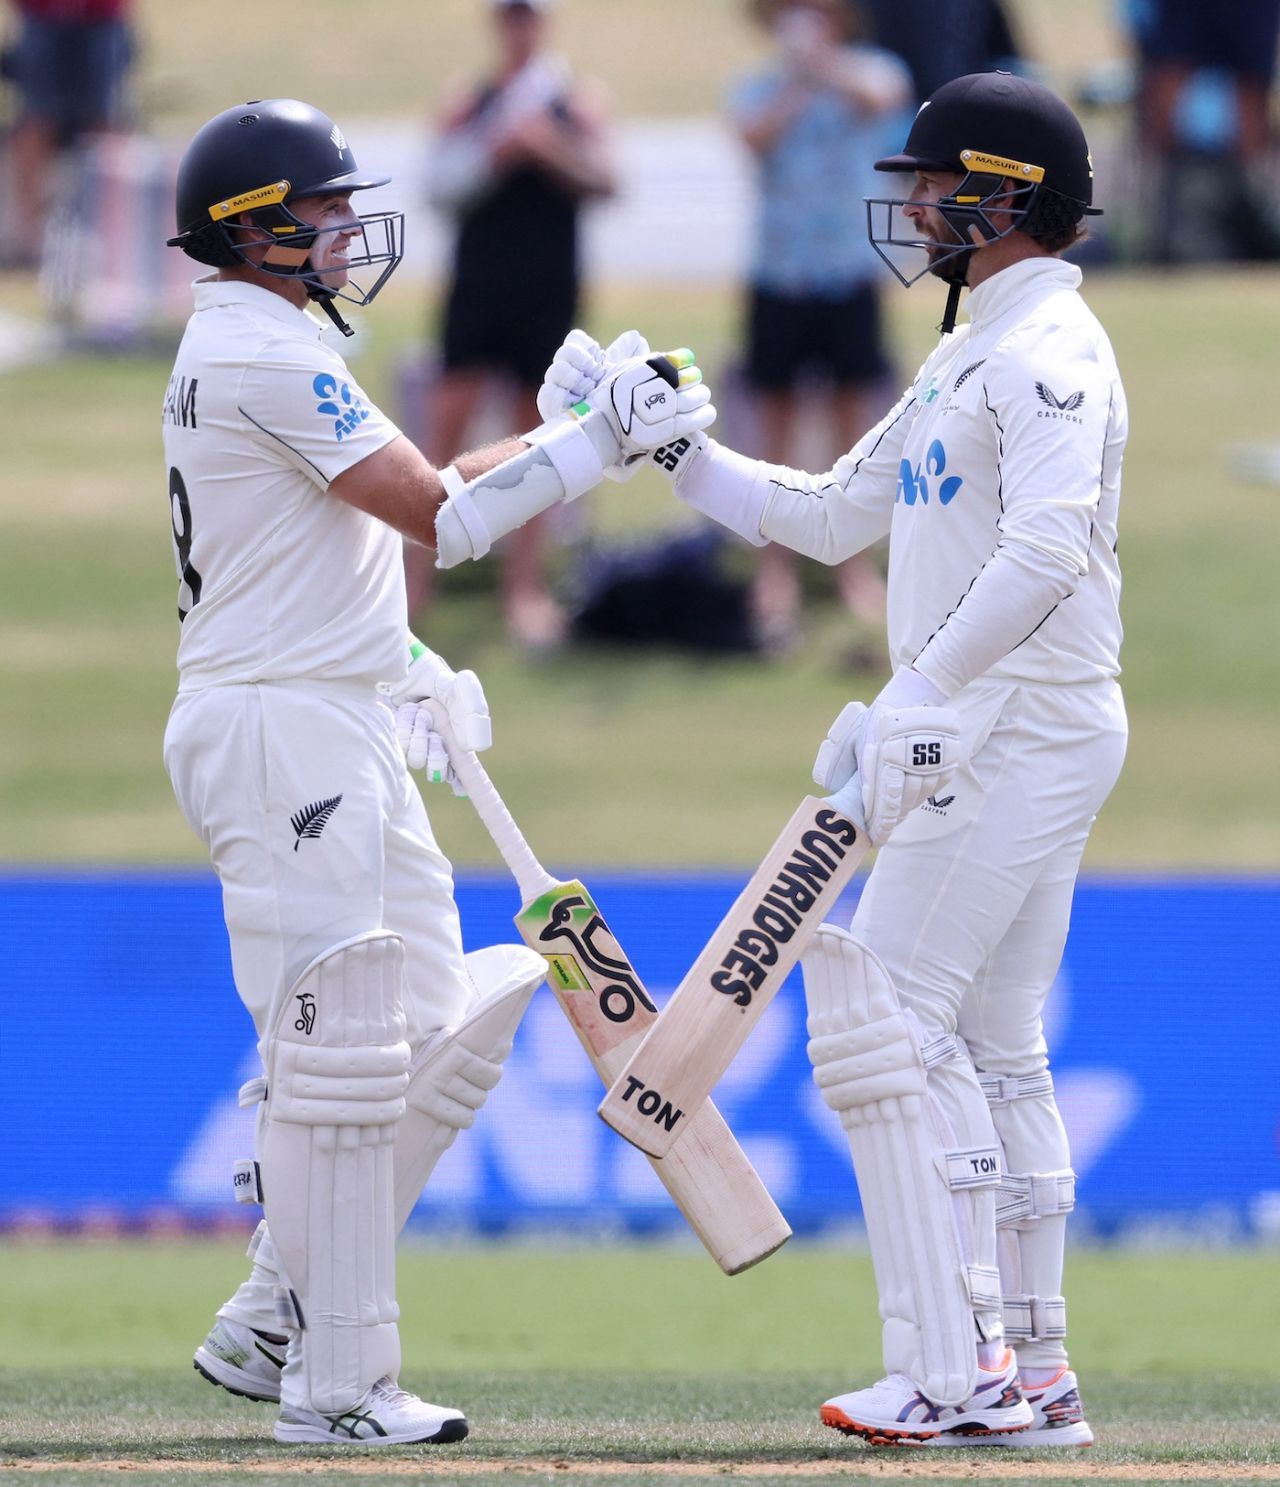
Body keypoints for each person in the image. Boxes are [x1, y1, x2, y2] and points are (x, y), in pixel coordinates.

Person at [545, 71, 1125, 1448]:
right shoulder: (965, 350)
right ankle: (1028, 1367)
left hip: (1013, 723)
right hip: (997, 722)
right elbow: (819, 517)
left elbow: (1050, 548)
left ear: (1003, 198)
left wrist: (920, 684)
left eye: (936, 184)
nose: (913, 205)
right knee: (993, 1043)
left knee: (891, 1029)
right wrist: (677, 449)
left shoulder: (1053, 349)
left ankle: (950, 1366)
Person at [160, 98, 712, 1446]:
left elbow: (396, 500)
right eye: (326, 210)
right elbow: (446, 518)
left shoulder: (263, 341)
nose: (350, 232)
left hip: (334, 708)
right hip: (283, 730)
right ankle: (340, 1385)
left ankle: (279, 1303)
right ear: (258, 229)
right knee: (344, 1052)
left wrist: (551, 430)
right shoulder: (261, 350)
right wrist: (599, 441)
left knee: (438, 1029)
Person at [408, 0, 617, 653]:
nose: (518, 27)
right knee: (444, 433)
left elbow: (606, 181)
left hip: (547, 288)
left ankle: (523, 586)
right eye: (510, 16)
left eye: (528, 16)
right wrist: (498, 149)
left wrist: (548, 145)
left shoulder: (577, 101)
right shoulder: (468, 101)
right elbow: (439, 187)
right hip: (478, 287)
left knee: (540, 438)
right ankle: (415, 585)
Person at [730, 0, 911, 660]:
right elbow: (752, 137)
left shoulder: (867, 71)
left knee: (851, 430)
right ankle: (775, 572)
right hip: (779, 273)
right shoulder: (760, 85)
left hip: (847, 271)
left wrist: (820, 66)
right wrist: (796, 80)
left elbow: (882, 99)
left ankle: (851, 567)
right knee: (773, 431)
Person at [3, 0, 134, 267]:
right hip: (41, 15)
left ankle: (114, 233)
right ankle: (28, 239)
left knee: (104, 123)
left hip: (101, 15)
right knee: (36, 122)